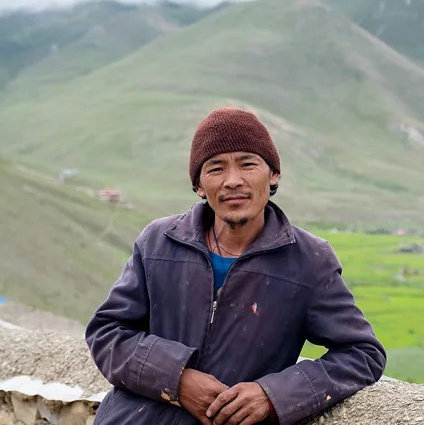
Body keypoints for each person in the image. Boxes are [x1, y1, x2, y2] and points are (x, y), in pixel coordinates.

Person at [85, 108, 386, 425]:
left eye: (248, 164)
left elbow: (362, 354)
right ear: (199, 185)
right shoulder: (158, 242)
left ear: (273, 175)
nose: (233, 181)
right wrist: (177, 381)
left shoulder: (309, 260)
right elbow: (107, 333)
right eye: (216, 168)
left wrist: (272, 395)